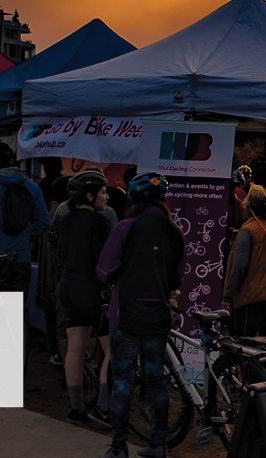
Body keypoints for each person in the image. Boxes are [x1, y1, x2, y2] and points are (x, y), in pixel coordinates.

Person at [96, 171, 185, 458]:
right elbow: (176, 279)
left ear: (134, 198)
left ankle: (119, 448)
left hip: (126, 316)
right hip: (158, 314)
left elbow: (104, 270)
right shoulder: (174, 231)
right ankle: (158, 445)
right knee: (156, 378)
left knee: (122, 381)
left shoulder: (125, 227)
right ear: (163, 200)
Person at [56, 170, 112, 424]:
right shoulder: (98, 221)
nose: (106, 196)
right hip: (92, 290)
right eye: (102, 191)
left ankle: (77, 408)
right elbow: (104, 261)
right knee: (113, 350)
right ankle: (102, 405)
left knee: (75, 348)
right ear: (89, 195)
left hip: (68, 288)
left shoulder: (64, 219)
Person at [0, 144, 51, 294]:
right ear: (12, 161)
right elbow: (44, 222)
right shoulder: (32, 187)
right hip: (22, 259)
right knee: (18, 311)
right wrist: (26, 237)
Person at [223, 193, 266, 337]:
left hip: (252, 297)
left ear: (249, 209)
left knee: (242, 340)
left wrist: (227, 297)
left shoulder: (247, 231)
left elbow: (239, 266)